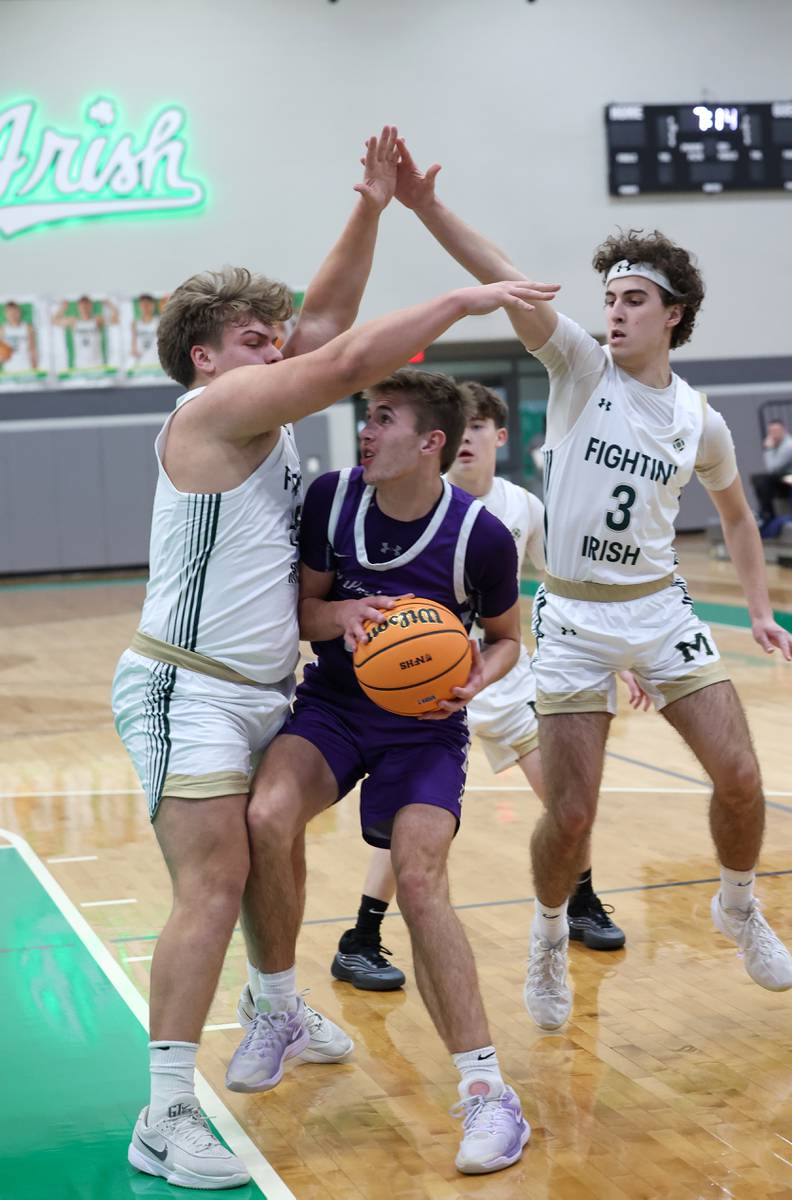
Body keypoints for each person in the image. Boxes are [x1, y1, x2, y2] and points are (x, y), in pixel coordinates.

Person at [112, 123, 550, 1189]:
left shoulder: (265, 405)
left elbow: (327, 319)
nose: (283, 344)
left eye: (276, 335)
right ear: (207, 356)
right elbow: (350, 352)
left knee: (269, 838)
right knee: (213, 881)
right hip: (190, 688)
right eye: (259, 337)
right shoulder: (216, 410)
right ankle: (166, 1110)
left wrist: (369, 204)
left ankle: (277, 1008)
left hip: (265, 689)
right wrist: (460, 300)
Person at [391, 139, 792, 1034]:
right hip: (573, 618)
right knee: (571, 813)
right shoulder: (580, 369)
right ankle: (547, 934)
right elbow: (509, 276)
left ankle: (737, 902)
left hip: (661, 612)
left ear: (674, 313)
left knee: (741, 776)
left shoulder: (701, 418)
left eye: (633, 299)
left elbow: (735, 515)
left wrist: (762, 610)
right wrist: (424, 208)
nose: (613, 312)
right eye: (609, 298)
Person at [230, 368, 541, 1175]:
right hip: (334, 704)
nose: (366, 431)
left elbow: (509, 635)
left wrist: (480, 674)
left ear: (431, 441)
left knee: (421, 874)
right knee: (265, 818)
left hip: (424, 728)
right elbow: (302, 612)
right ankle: (278, 1010)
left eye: (384, 419)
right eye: (367, 416)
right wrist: (343, 616)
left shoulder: (481, 536)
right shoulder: (334, 500)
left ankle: (486, 1094)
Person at [331, 381, 632, 995]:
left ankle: (581, 901)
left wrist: (615, 651)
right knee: (406, 819)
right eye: (458, 429)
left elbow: (567, 581)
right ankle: (360, 937)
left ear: (498, 435)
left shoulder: (521, 508)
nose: (466, 439)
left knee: (567, 800)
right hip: (418, 685)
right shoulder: (401, 500)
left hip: (497, 675)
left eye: (478, 428)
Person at [751, 419, 792, 531]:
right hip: (785, 478)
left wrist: (768, 448)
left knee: (764, 480)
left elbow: (772, 468)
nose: (774, 434)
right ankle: (765, 512)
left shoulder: (789, 446)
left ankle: (767, 514)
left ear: (784, 430)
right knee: (758, 479)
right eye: (771, 431)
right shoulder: (778, 444)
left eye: (777, 431)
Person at [54, 294, 118, 370]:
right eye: (82, 306)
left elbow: (115, 320)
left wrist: (109, 304)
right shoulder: (74, 322)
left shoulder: (97, 320)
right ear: (78, 307)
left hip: (97, 364)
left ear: (90, 306)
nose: (84, 308)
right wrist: (62, 308)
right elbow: (54, 321)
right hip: (80, 365)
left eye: (86, 305)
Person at [0, 300, 37, 373]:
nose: (13, 315)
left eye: (15, 312)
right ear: (6, 314)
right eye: (10, 312)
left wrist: (34, 365)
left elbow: (32, 348)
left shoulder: (28, 327)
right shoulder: (2, 329)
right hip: (9, 367)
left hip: (26, 365)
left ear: (20, 312)